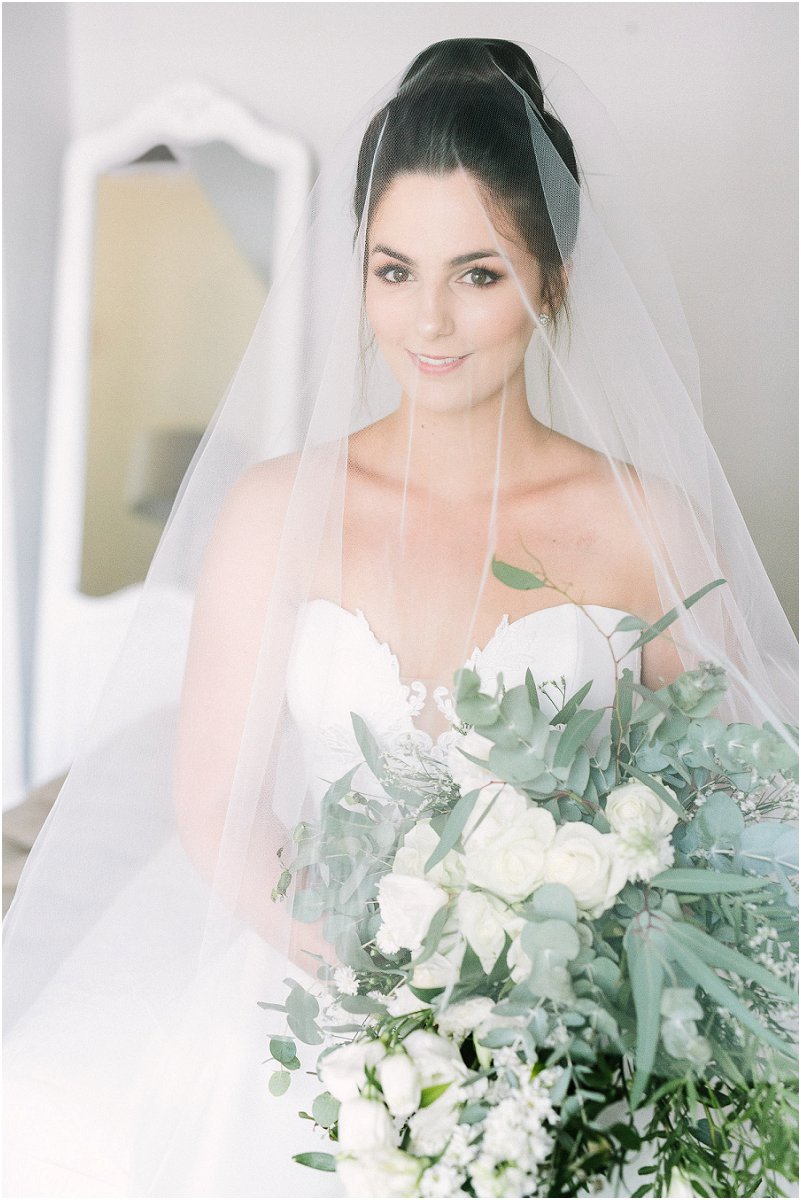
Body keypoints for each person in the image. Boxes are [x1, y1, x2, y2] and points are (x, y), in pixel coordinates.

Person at [3, 37, 797, 1198]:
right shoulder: (277, 512)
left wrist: (562, 994)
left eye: (478, 274)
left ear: (553, 281)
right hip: (316, 1001)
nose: (428, 321)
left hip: (571, 1026)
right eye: (394, 271)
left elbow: (731, 803)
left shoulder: (645, 525)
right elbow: (216, 807)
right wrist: (397, 997)